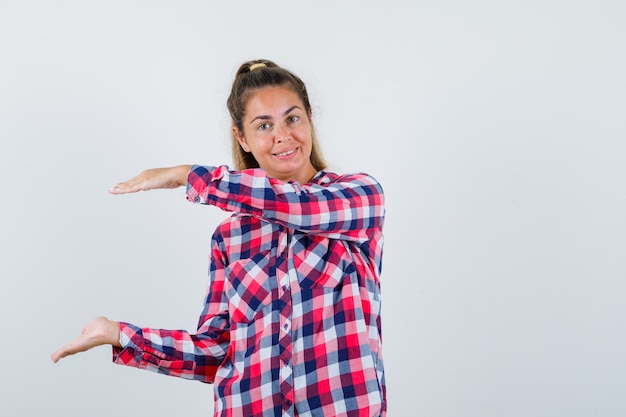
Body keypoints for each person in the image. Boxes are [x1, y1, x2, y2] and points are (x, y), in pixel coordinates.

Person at [51, 59, 386, 417]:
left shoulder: (357, 197)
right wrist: (119, 334)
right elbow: (215, 352)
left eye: (293, 118)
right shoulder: (230, 236)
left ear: (309, 119)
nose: (282, 136)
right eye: (263, 125)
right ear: (242, 138)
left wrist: (187, 175)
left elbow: (297, 205)